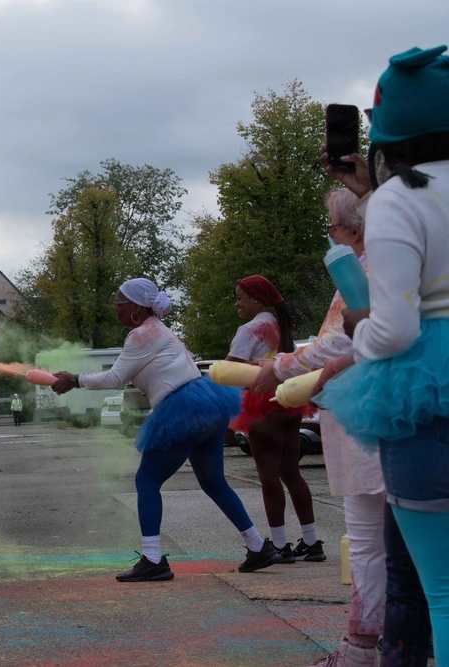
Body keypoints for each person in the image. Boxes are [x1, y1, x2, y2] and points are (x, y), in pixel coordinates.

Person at [315, 44, 449, 667]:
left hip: (426, 393)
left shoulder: (400, 201)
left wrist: (361, 333)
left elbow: (393, 331)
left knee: (439, 592)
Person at [51, 278, 282, 582]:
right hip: (207, 406)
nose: (115, 310)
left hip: (183, 410)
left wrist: (75, 379)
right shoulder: (158, 330)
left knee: (147, 479)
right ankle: (257, 546)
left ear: (136, 308)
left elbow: (115, 378)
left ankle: (153, 559)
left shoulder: (140, 335)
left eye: (119, 304)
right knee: (214, 482)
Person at [250, 190, 386, 667]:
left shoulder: (367, 267)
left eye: (331, 227)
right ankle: (384, 641)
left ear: (354, 228)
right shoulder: (383, 261)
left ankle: (363, 648)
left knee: (371, 538)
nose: (330, 236)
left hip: (369, 417)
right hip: (371, 413)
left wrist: (281, 368)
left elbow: (340, 343)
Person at [228, 275, 322, 562]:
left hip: (261, 405)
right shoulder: (281, 324)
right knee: (291, 474)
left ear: (256, 299)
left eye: (240, 297)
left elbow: (232, 371)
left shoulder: (249, 330)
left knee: (268, 478)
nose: (237, 303)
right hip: (289, 400)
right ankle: (311, 541)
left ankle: (280, 545)